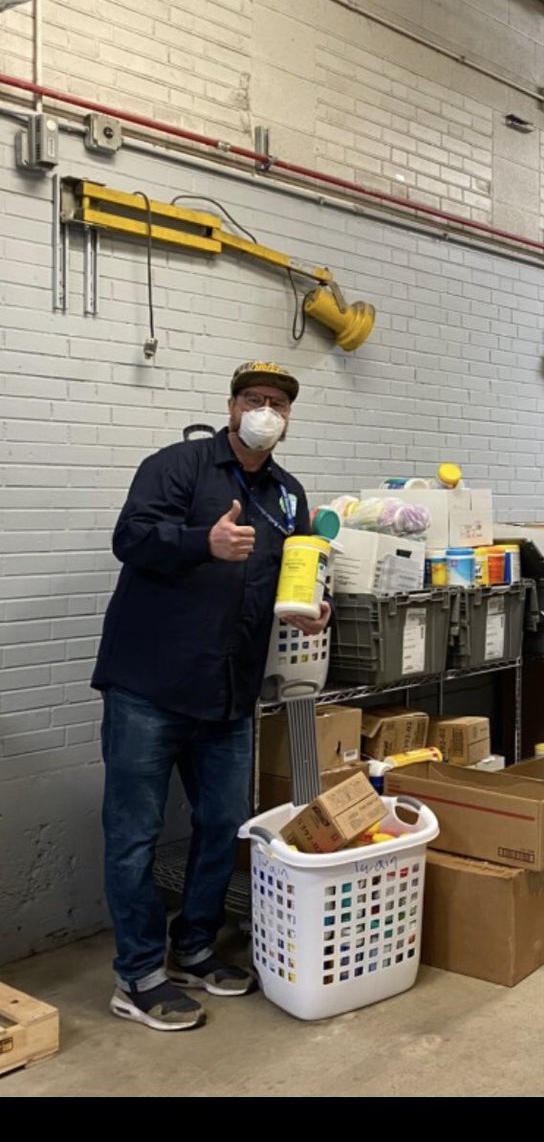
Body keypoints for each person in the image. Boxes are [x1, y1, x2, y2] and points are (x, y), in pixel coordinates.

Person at [92, 361, 330, 1030]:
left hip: (228, 690)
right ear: (230, 407)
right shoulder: (177, 466)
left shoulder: (287, 494)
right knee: (134, 836)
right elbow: (131, 540)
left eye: (277, 403)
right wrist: (205, 541)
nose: (265, 410)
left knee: (224, 824)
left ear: (288, 419)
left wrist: (312, 608)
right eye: (254, 399)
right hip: (149, 685)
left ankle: (194, 944)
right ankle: (137, 975)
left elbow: (297, 571)